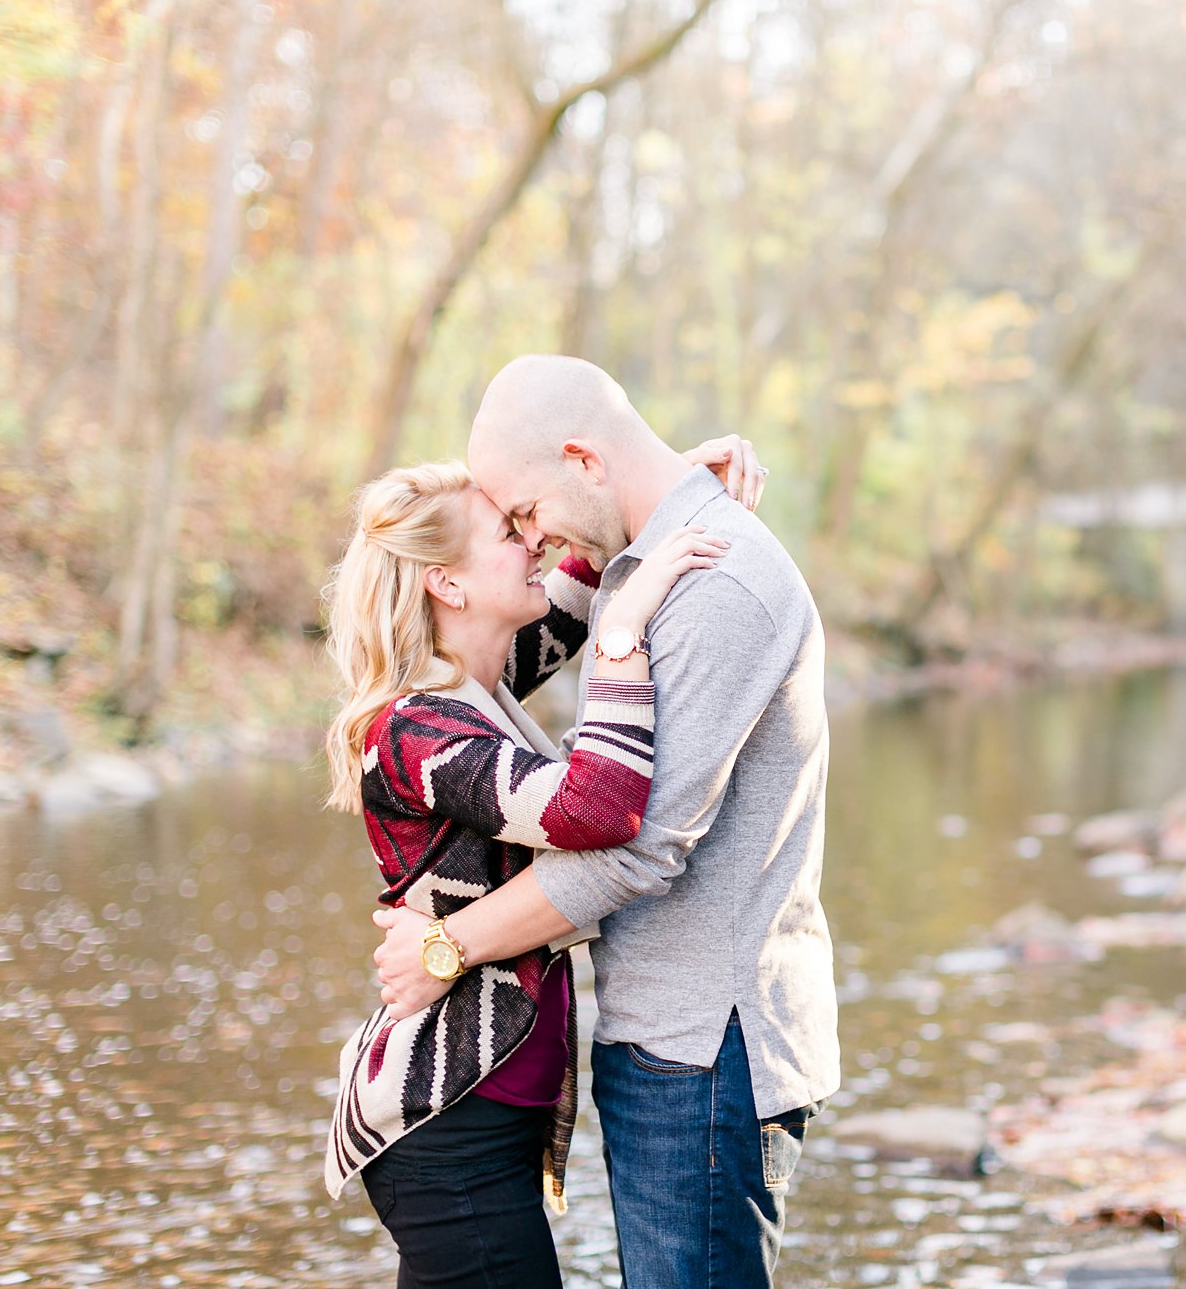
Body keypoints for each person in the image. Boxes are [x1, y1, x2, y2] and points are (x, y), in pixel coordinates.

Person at [370, 355, 839, 1289]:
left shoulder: (712, 582)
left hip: (708, 1042)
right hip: (651, 1042)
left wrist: (446, 945)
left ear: (582, 459)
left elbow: (635, 846)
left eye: (525, 513)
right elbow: (555, 645)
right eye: (507, 530)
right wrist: (665, 495)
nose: (532, 542)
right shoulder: (633, 576)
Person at [319, 438, 759, 1286]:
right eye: (508, 532)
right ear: (446, 582)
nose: (535, 542)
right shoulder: (417, 733)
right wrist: (625, 636)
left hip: (482, 1122)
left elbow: (580, 567)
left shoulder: (476, 686)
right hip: (444, 1129)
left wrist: (659, 478)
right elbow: (596, 809)